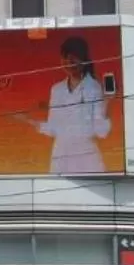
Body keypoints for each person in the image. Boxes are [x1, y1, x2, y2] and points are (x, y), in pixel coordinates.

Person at [35, 37, 112, 174]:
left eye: (73, 58)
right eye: (65, 58)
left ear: (84, 59)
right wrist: (30, 122)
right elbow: (53, 127)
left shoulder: (94, 88)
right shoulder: (56, 89)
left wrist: (108, 102)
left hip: (86, 157)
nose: (69, 62)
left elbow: (101, 131)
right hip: (61, 156)